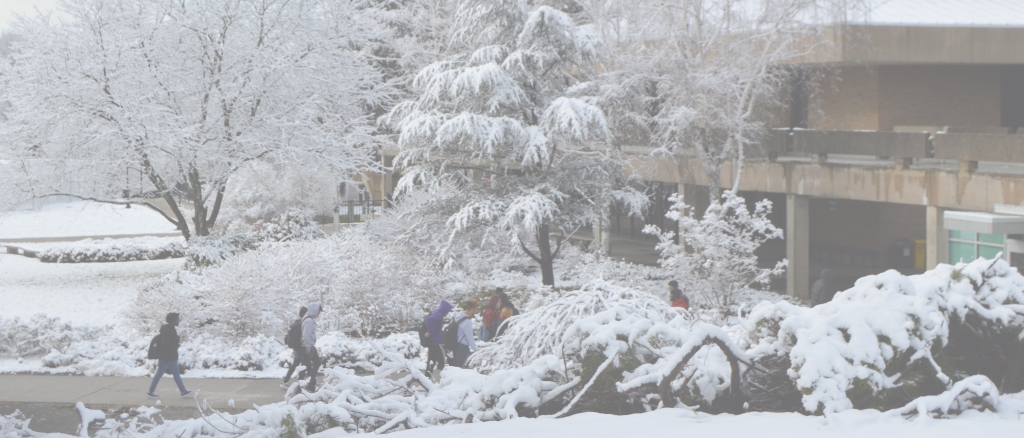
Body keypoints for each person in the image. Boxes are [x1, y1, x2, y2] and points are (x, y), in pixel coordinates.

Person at [147, 313, 193, 398]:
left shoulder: (171, 329)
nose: (178, 321)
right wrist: (175, 346)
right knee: (159, 374)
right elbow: (165, 344)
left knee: (176, 374)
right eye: (177, 319)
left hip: (172, 357)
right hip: (166, 357)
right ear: (172, 321)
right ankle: (151, 391)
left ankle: (183, 391)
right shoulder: (168, 330)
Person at [281, 306, 308, 389]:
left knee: (296, 364)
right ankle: (300, 384)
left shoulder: (295, 323)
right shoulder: (301, 324)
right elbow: (299, 338)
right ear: (304, 314)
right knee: (304, 365)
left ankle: (285, 381)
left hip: (297, 348)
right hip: (300, 348)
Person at [424, 300, 453, 374]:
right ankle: (445, 378)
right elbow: (429, 319)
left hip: (432, 343)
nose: (447, 312)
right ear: (444, 309)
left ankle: (426, 379)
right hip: (437, 342)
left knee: (431, 362)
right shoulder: (438, 315)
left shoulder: (437, 314)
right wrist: (430, 331)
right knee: (443, 361)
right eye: (447, 310)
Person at [300, 303, 322, 392]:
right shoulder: (309, 321)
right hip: (307, 346)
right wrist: (308, 347)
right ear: (315, 310)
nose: (319, 314)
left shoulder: (306, 318)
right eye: (319, 312)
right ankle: (310, 384)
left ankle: (310, 383)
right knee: (316, 363)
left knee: (306, 366)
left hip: (306, 345)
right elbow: (306, 335)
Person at [451, 299, 480, 368]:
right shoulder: (467, 322)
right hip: (463, 347)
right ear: (473, 309)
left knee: (457, 366)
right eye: (477, 308)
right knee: (462, 368)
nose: (478, 310)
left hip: (456, 344)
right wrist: (476, 350)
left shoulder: (459, 315)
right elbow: (470, 338)